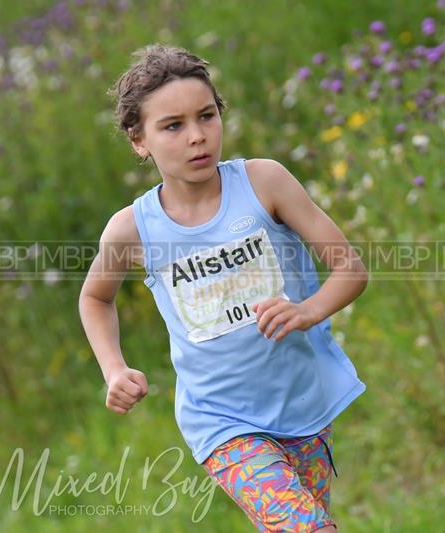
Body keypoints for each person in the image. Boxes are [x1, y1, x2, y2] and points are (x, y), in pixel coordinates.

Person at [78, 44, 368, 532]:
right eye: (173, 126)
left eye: (206, 116)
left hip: (303, 402)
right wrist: (113, 368)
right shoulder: (133, 229)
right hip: (220, 420)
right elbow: (94, 297)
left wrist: (308, 311)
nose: (197, 137)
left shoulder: (265, 184)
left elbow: (350, 268)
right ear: (138, 139)